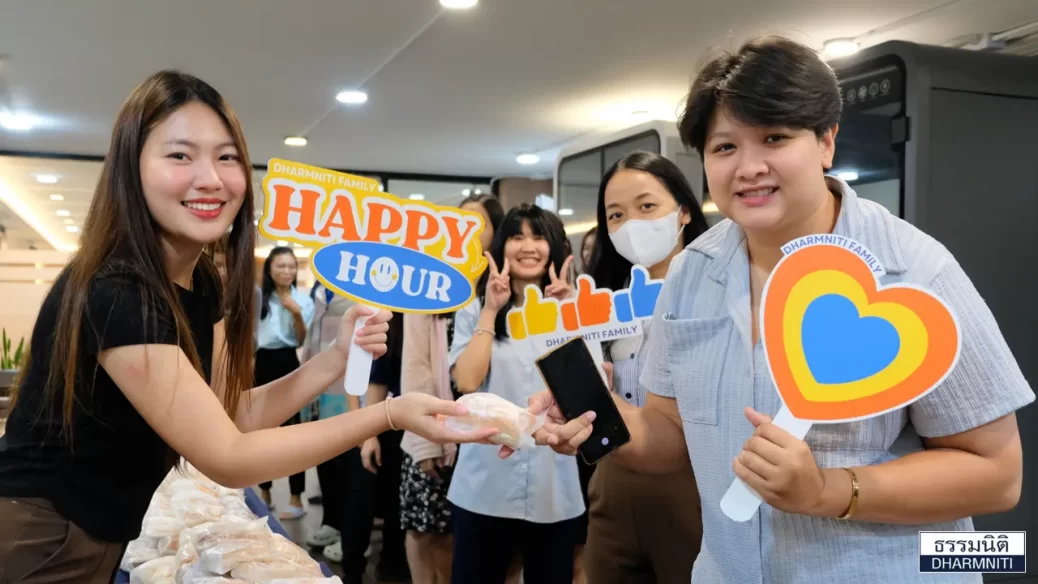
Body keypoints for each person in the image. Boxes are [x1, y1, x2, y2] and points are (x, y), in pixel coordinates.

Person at [528, 36, 1034, 584]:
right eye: (724, 148)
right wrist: (596, 415)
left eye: (774, 137)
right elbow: (670, 435)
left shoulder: (914, 271)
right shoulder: (692, 272)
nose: (748, 167)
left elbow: (997, 474)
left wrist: (828, 491)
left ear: (826, 142)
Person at [0, 70, 493, 583]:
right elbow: (228, 458)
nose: (210, 178)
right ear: (131, 168)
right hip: (41, 534)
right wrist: (388, 415)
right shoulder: (118, 290)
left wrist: (334, 359)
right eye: (180, 155)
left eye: (227, 156)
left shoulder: (201, 284)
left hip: (100, 529)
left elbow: (229, 415)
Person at [583, 150, 708, 583]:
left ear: (685, 211)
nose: (631, 224)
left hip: (691, 483)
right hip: (613, 477)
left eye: (646, 206)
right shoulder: (607, 304)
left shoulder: (714, 293)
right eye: (616, 215)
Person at [449, 203, 583, 584]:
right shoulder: (476, 308)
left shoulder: (572, 309)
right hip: (484, 483)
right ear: (501, 246)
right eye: (517, 236)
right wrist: (492, 310)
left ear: (554, 247)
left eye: (539, 236)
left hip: (553, 488)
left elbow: (583, 392)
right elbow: (467, 382)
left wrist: (568, 317)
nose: (529, 246)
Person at [399, 192, 504, 584]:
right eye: (461, 223)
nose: (469, 232)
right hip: (432, 428)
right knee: (425, 531)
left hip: (485, 435)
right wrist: (428, 440)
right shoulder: (430, 283)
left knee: (469, 540)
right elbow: (416, 367)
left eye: (479, 224)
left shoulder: (499, 289)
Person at [255, 246, 315, 518]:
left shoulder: (304, 301)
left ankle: (296, 498)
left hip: (288, 362)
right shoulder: (258, 298)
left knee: (293, 432)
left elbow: (301, 340)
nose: (287, 271)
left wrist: (296, 315)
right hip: (260, 363)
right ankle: (264, 493)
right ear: (270, 269)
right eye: (281, 266)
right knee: (260, 432)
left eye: (292, 266)